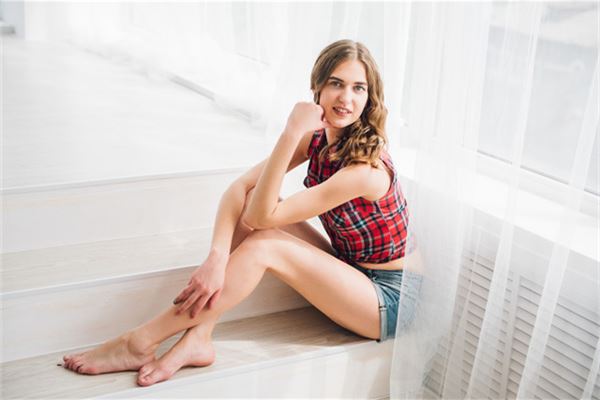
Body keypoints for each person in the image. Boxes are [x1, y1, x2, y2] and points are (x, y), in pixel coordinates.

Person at [61, 39, 421, 387]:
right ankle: (198, 336)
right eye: (336, 84)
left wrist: (290, 130)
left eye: (359, 88)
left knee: (265, 242)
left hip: (389, 297)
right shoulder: (318, 138)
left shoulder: (365, 171)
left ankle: (140, 341)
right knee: (252, 197)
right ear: (317, 87)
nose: (346, 98)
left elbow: (262, 219)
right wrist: (217, 257)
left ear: (370, 97)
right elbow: (240, 190)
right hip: (350, 268)